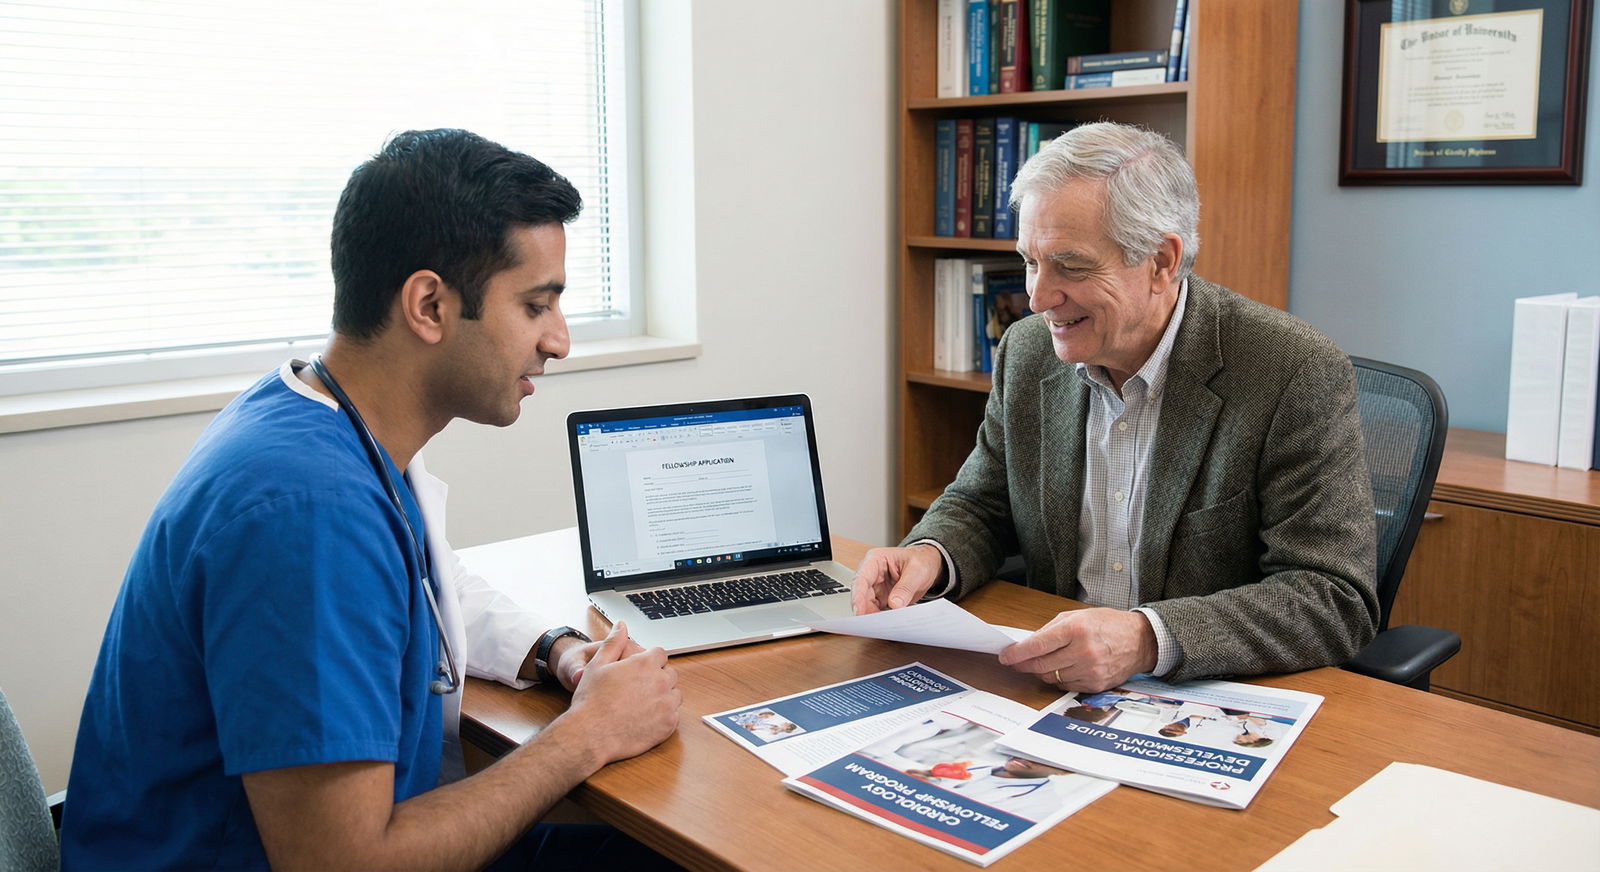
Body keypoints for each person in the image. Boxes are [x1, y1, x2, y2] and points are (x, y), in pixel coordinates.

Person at [60, 130, 682, 871]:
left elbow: (423, 580)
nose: (560, 340)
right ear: (428, 305)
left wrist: (558, 651)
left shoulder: (314, 416)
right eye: (536, 305)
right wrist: (584, 739)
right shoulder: (305, 513)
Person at [852, 121, 1378, 693]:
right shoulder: (1028, 352)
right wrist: (932, 554)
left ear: (1161, 262)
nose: (1037, 297)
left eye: (1070, 266)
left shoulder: (1290, 370)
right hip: (1051, 681)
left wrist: (1146, 638)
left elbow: (1332, 597)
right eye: (1031, 261)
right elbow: (983, 501)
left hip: (1206, 695)